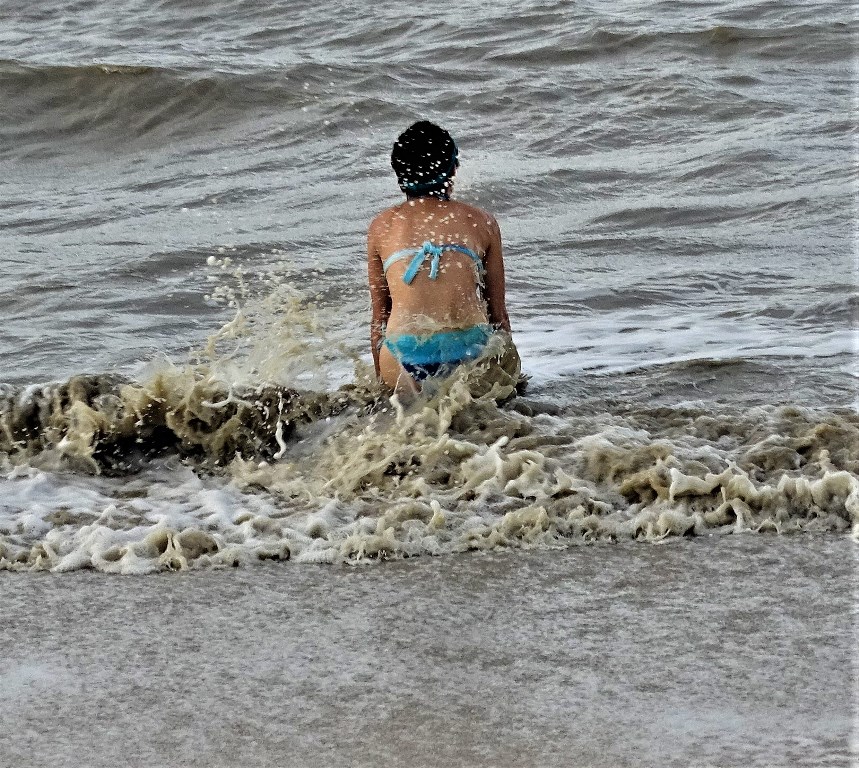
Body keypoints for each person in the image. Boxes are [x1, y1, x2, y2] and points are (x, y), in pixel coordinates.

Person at [367, 120, 519, 395]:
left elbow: (380, 319)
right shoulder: (480, 221)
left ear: (399, 175)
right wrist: (514, 381)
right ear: (452, 170)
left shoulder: (382, 226)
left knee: (408, 426)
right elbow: (498, 316)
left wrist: (379, 388)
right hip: (470, 348)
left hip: (403, 353)